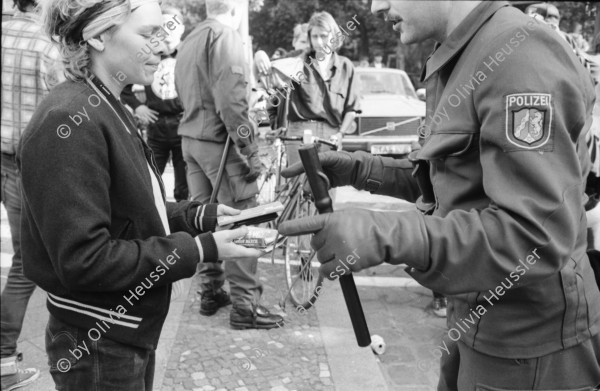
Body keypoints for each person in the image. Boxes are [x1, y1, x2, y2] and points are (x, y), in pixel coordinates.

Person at [279, 1, 600, 389]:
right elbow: (449, 183)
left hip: (526, 344)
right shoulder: (463, 51)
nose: (377, 6)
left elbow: (537, 236)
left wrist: (385, 234)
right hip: (474, 317)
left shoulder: (519, 56)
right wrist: (359, 168)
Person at [18, 0, 263, 389]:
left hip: (120, 332)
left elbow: (129, 208)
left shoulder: (102, 101)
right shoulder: (70, 117)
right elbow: (85, 259)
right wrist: (199, 249)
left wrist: (204, 217)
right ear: (98, 36)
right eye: (149, 34)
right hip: (98, 340)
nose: (164, 47)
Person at [174, 0, 283, 329]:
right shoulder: (227, 37)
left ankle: (211, 291)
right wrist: (251, 150)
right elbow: (232, 103)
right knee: (243, 224)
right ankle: (245, 307)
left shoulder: (190, 38)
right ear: (236, 7)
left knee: (205, 219)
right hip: (219, 146)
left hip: (192, 139)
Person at [0, 0, 63, 389]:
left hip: (4, 158)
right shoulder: (48, 47)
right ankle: (5, 360)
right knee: (27, 264)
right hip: (28, 166)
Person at [267, 11, 361, 165]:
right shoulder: (298, 63)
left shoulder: (346, 67)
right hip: (299, 131)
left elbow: (352, 108)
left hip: (331, 133)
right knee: (298, 183)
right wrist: (260, 57)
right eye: (314, 36)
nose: (319, 41)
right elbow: (266, 73)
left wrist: (340, 134)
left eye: (324, 36)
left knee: (327, 185)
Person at [121, 6, 189, 202]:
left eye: (171, 25)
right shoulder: (148, 52)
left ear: (181, 28)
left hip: (182, 124)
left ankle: (183, 222)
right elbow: (125, 85)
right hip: (156, 126)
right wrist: (138, 106)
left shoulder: (187, 53)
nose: (166, 31)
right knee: (151, 177)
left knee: (183, 182)